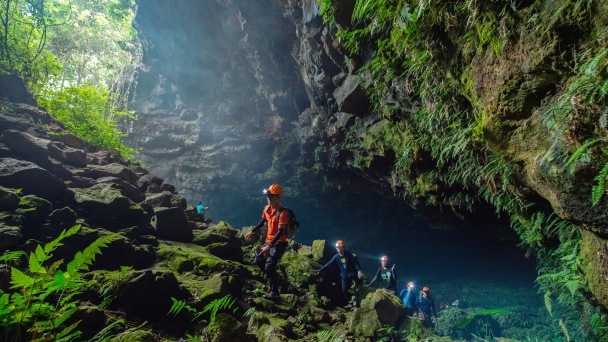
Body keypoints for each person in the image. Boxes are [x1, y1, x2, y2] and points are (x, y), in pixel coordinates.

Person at [245, 183, 289, 300]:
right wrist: (252, 231)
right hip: (268, 240)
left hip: (279, 242)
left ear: (278, 197)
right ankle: (275, 278)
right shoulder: (266, 209)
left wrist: (269, 246)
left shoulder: (282, 212)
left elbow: (280, 232)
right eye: (268, 196)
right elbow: (262, 221)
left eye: (272, 196)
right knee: (258, 259)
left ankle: (274, 294)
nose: (269, 198)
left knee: (269, 266)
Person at [316, 240, 363, 309]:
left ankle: (356, 307)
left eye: (339, 247)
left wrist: (359, 271)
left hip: (352, 276)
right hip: (344, 277)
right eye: (336, 247)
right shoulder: (336, 257)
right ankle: (350, 303)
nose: (337, 248)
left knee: (354, 291)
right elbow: (328, 264)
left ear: (343, 247)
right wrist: (320, 270)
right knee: (344, 290)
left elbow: (355, 263)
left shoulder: (349, 255)